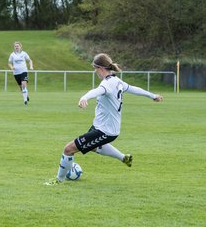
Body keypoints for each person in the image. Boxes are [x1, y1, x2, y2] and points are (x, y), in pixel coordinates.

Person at [44, 53, 163, 185]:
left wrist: (84, 97)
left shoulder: (107, 84)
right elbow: (134, 89)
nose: (95, 72)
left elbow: (97, 91)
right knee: (94, 147)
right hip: (102, 127)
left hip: (105, 130)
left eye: (95, 69)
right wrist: (152, 95)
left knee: (68, 149)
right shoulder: (117, 81)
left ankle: (58, 181)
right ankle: (124, 158)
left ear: (100, 68)